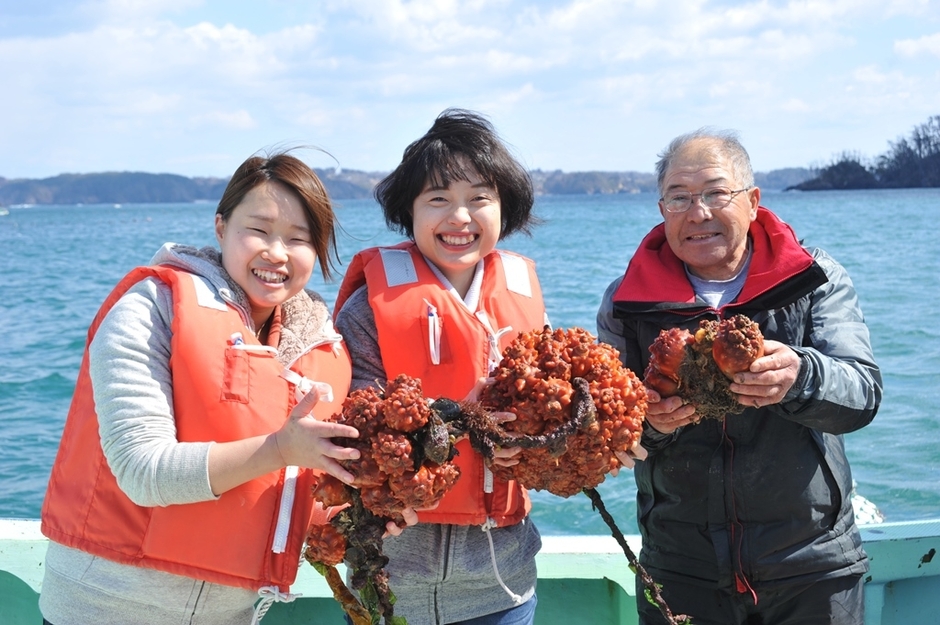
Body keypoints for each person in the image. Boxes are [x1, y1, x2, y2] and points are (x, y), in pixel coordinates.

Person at [39, 151, 391, 625]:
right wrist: (281, 450)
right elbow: (142, 470)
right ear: (221, 227)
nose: (277, 252)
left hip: (229, 613)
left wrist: (372, 515)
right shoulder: (149, 310)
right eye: (259, 230)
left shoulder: (321, 347)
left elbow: (296, 491)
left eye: (298, 239)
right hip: (103, 608)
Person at [596, 129, 883, 625]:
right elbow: (606, 430)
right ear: (661, 210)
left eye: (715, 193)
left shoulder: (814, 279)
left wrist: (801, 375)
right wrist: (650, 424)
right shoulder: (627, 303)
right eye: (679, 198)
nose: (698, 212)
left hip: (810, 564)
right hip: (682, 567)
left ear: (752, 202)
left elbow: (862, 394)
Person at [333, 108, 548, 625]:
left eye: (480, 199)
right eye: (438, 200)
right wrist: (454, 419)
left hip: (504, 585)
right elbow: (352, 428)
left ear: (505, 209)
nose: (460, 218)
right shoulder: (367, 311)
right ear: (409, 212)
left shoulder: (522, 296)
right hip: (392, 580)